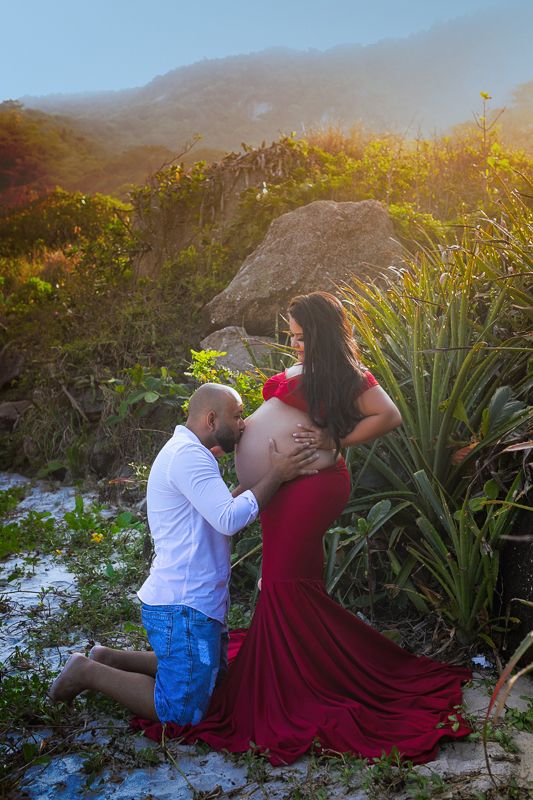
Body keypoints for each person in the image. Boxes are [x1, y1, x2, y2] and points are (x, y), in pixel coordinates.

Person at [133, 292, 472, 766]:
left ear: (320, 333)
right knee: (296, 586)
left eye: (298, 336)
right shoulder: (300, 372)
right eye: (290, 336)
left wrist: (336, 437)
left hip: (309, 487)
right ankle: (305, 668)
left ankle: (294, 682)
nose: (292, 345)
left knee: (283, 584)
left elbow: (388, 416)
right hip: (281, 489)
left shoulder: (347, 374)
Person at [48, 382, 320, 722]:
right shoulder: (188, 457)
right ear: (211, 419)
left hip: (195, 601)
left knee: (214, 676)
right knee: (180, 711)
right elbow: (229, 519)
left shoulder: (192, 452)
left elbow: (221, 507)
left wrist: (268, 477)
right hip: (183, 605)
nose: (243, 423)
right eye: (236, 416)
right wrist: (278, 474)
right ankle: (86, 672)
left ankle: (110, 658)